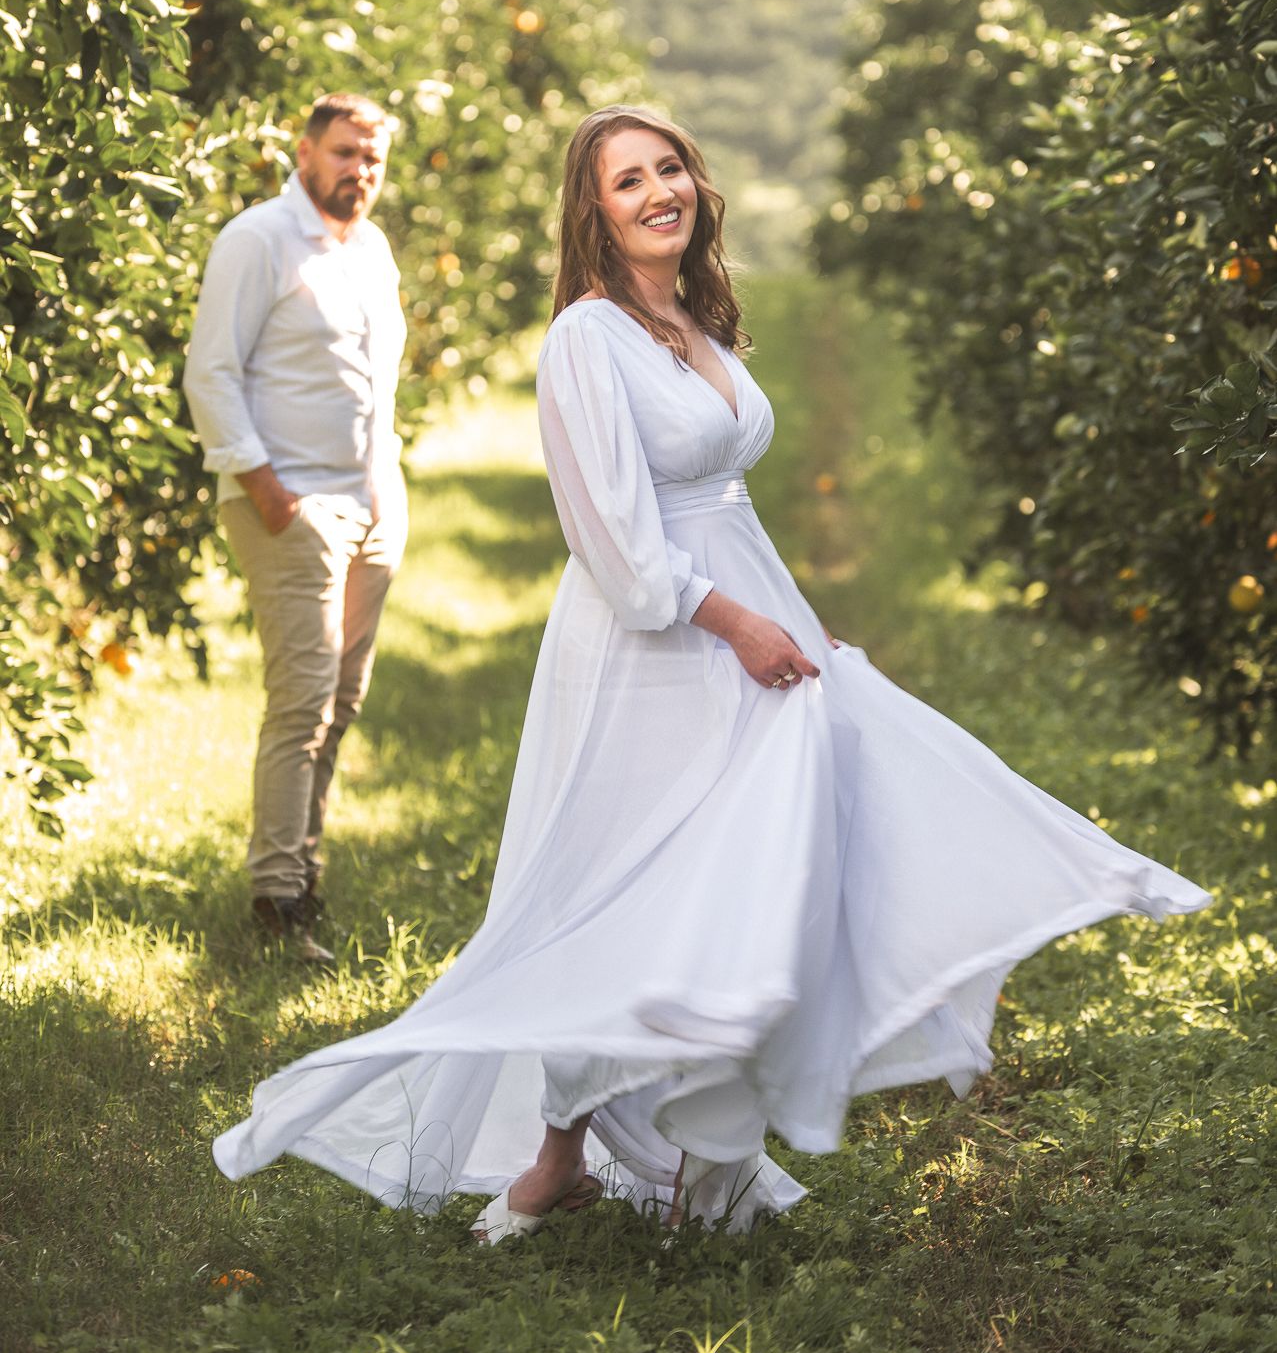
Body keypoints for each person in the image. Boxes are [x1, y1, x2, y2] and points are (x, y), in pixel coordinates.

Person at [213, 104, 1208, 1231]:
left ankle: (704, 1159)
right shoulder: (587, 337)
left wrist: (791, 615)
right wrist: (731, 621)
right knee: (625, 882)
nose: (655, 191)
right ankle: (556, 1157)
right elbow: (616, 540)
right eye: (625, 179)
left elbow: (724, 506)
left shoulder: (692, 319)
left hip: (738, 618)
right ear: (591, 212)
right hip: (651, 643)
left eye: (668, 166)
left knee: (748, 874)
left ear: (697, 182)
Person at [185, 92, 407, 964]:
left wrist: (388, 488)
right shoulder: (258, 240)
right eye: (346, 152)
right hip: (292, 507)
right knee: (302, 702)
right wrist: (271, 493)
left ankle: (301, 874)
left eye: (373, 158)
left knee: (341, 702)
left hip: (372, 504)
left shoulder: (372, 249)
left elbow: (378, 387)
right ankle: (276, 903)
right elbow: (211, 374)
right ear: (306, 150)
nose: (360, 170)